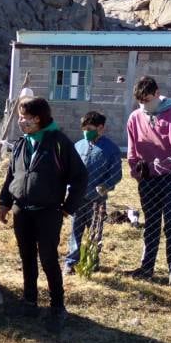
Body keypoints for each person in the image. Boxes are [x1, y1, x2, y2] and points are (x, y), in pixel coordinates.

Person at [0, 96, 88, 334]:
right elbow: (12, 175)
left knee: (48, 259)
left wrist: (69, 206)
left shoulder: (59, 143)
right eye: (21, 116)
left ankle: (58, 307)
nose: (22, 121)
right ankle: (29, 302)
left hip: (48, 212)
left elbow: (79, 177)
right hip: (21, 211)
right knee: (26, 257)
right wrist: (4, 203)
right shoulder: (21, 143)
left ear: (39, 118)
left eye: (26, 117)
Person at [126, 76, 171, 285]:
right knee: (151, 223)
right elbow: (132, 147)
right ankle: (147, 267)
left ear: (157, 94)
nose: (144, 105)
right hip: (147, 177)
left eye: (147, 100)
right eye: (141, 101)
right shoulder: (135, 117)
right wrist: (136, 172)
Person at [63, 111, 122, 274]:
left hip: (97, 201)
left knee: (95, 231)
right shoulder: (78, 145)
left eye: (90, 128)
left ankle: (92, 261)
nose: (86, 132)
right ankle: (71, 262)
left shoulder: (111, 149)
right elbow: (69, 169)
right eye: (84, 129)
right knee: (76, 229)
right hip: (77, 197)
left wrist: (106, 186)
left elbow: (117, 174)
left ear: (100, 128)